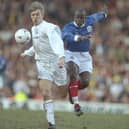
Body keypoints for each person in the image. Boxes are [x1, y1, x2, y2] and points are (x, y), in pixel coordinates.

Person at [20, 1, 67, 129]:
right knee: (45, 91)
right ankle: (51, 123)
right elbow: (37, 46)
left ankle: (64, 95)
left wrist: (61, 56)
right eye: (33, 15)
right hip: (42, 63)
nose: (35, 17)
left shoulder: (50, 27)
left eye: (37, 14)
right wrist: (27, 52)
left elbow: (57, 42)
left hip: (57, 62)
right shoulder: (33, 29)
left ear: (42, 14)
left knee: (63, 92)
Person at [62, 8, 108, 116]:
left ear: (84, 18)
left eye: (81, 18)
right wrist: (78, 38)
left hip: (85, 56)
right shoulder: (69, 27)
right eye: (77, 17)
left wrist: (104, 14)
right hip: (71, 54)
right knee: (73, 73)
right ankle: (76, 104)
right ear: (74, 18)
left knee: (86, 82)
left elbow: (97, 16)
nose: (79, 20)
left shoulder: (89, 21)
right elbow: (64, 36)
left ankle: (72, 89)